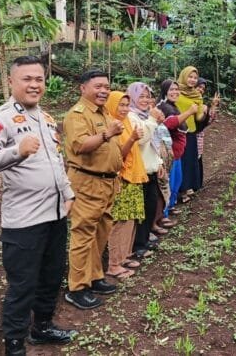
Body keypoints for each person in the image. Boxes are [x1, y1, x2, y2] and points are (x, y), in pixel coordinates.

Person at [0, 55, 77, 356]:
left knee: (51, 276)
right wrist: (17, 150)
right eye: (27, 79)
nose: (34, 85)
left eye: (39, 79)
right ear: (11, 81)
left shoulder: (47, 119)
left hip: (55, 215)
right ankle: (15, 344)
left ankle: (42, 326)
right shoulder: (0, 119)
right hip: (24, 223)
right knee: (23, 285)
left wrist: (68, 192)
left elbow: (56, 160)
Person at [63, 70, 124, 310]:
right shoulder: (77, 115)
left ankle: (94, 276)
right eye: (98, 86)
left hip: (107, 183)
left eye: (107, 87)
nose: (104, 91)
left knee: (100, 233)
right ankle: (77, 288)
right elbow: (80, 145)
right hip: (87, 183)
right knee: (83, 235)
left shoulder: (104, 112)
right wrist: (107, 133)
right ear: (83, 88)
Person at [103, 91, 146, 279]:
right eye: (120, 104)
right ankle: (114, 264)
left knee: (130, 220)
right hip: (121, 178)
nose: (124, 109)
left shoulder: (127, 122)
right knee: (120, 222)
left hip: (133, 177)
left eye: (127, 105)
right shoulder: (111, 126)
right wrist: (132, 138)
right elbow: (118, 155)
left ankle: (125, 255)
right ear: (112, 105)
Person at [126, 82, 165, 259]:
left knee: (150, 206)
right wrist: (152, 120)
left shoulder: (145, 116)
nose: (145, 100)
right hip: (138, 172)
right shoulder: (131, 116)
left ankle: (145, 238)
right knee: (140, 211)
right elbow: (141, 140)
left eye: (147, 97)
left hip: (150, 169)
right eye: (141, 96)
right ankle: (138, 245)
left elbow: (153, 143)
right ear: (132, 98)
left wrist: (159, 163)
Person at [157, 79, 199, 219]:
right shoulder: (163, 107)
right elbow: (171, 123)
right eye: (171, 90)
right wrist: (189, 112)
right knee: (167, 183)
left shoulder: (172, 106)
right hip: (169, 154)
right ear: (165, 91)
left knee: (176, 182)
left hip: (177, 153)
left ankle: (170, 205)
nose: (175, 92)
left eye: (176, 89)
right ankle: (163, 214)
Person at [175, 66, 206, 203]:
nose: (193, 80)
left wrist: (203, 111)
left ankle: (184, 190)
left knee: (188, 162)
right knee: (177, 162)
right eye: (190, 77)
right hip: (176, 131)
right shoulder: (175, 91)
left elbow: (198, 118)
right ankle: (174, 191)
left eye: (195, 78)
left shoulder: (197, 95)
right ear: (184, 76)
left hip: (190, 132)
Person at [195, 78, 220, 191]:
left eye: (202, 88)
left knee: (197, 160)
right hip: (186, 138)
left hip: (197, 138)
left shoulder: (202, 105)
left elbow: (208, 121)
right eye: (198, 87)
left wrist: (213, 106)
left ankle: (195, 186)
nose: (200, 90)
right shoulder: (185, 101)